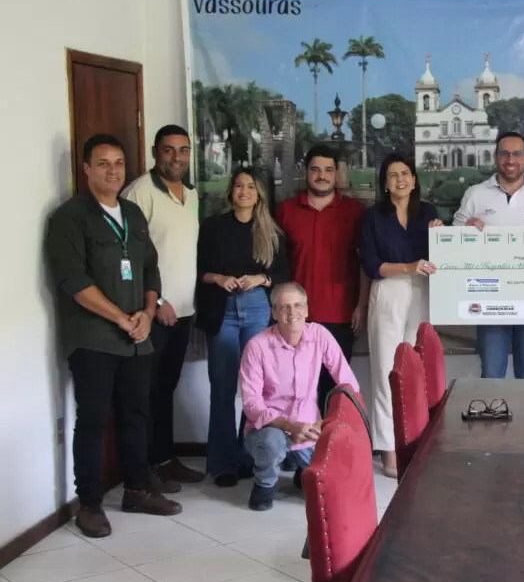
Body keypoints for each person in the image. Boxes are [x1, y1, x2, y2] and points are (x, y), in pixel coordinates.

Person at [45, 134, 182, 538]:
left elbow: (151, 269)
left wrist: (148, 313)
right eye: (103, 163)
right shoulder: (69, 217)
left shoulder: (133, 214)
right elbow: (73, 281)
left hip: (138, 337)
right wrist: (123, 318)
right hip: (93, 339)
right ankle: (89, 504)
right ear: (86, 168)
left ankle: (137, 489)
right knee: (92, 420)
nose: (113, 170)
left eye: (119, 162)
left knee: (137, 413)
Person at [121, 124, 204, 491]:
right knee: (144, 392)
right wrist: (156, 301)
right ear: (156, 152)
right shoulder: (139, 193)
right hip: (154, 312)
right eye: (169, 150)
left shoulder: (191, 194)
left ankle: (165, 459)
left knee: (165, 389)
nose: (177, 157)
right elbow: (129, 256)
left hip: (183, 312)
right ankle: (144, 471)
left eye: (183, 150)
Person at [196, 167, 290, 487]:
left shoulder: (271, 231)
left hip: (257, 308)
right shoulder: (213, 227)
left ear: (259, 193)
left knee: (255, 389)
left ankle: (248, 455)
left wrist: (261, 278)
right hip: (222, 309)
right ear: (231, 191)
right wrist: (219, 278)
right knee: (223, 388)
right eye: (239, 185)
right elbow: (201, 271)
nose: (244, 191)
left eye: (251, 186)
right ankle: (223, 463)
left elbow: (283, 273)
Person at [452, 131, 524, 379]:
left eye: (517, 153)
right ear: (496, 157)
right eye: (504, 154)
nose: (510, 160)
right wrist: (465, 229)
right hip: (490, 298)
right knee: (492, 375)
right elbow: (452, 241)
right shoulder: (476, 194)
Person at [239, 282, 360, 511]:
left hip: (309, 427)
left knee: (334, 490)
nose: (292, 312)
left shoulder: (320, 335)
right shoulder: (257, 346)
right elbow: (252, 405)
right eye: (284, 307)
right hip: (269, 427)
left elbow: (348, 383)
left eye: (297, 306)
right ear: (274, 313)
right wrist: (289, 425)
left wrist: (326, 423)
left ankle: (302, 472)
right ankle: (265, 484)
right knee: (271, 443)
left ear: (306, 310)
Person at [361, 154, 442, 477]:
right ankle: (389, 450)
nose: (400, 180)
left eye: (405, 173)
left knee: (415, 370)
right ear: (385, 183)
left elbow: (441, 256)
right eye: (393, 175)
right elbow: (371, 264)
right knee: (386, 371)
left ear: (414, 179)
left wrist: (442, 236)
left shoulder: (428, 213)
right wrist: (408, 267)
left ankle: (415, 443)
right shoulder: (372, 217)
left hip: (422, 291)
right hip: (388, 290)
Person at [277, 145, 368, 412]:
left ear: (336, 174)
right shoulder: (285, 211)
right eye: (316, 170)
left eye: (328, 170)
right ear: (306, 172)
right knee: (297, 390)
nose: (322, 176)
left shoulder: (354, 212)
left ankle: (330, 439)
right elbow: (276, 263)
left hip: (340, 314)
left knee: (333, 391)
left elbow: (364, 262)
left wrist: (361, 305)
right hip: (296, 315)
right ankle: (301, 440)